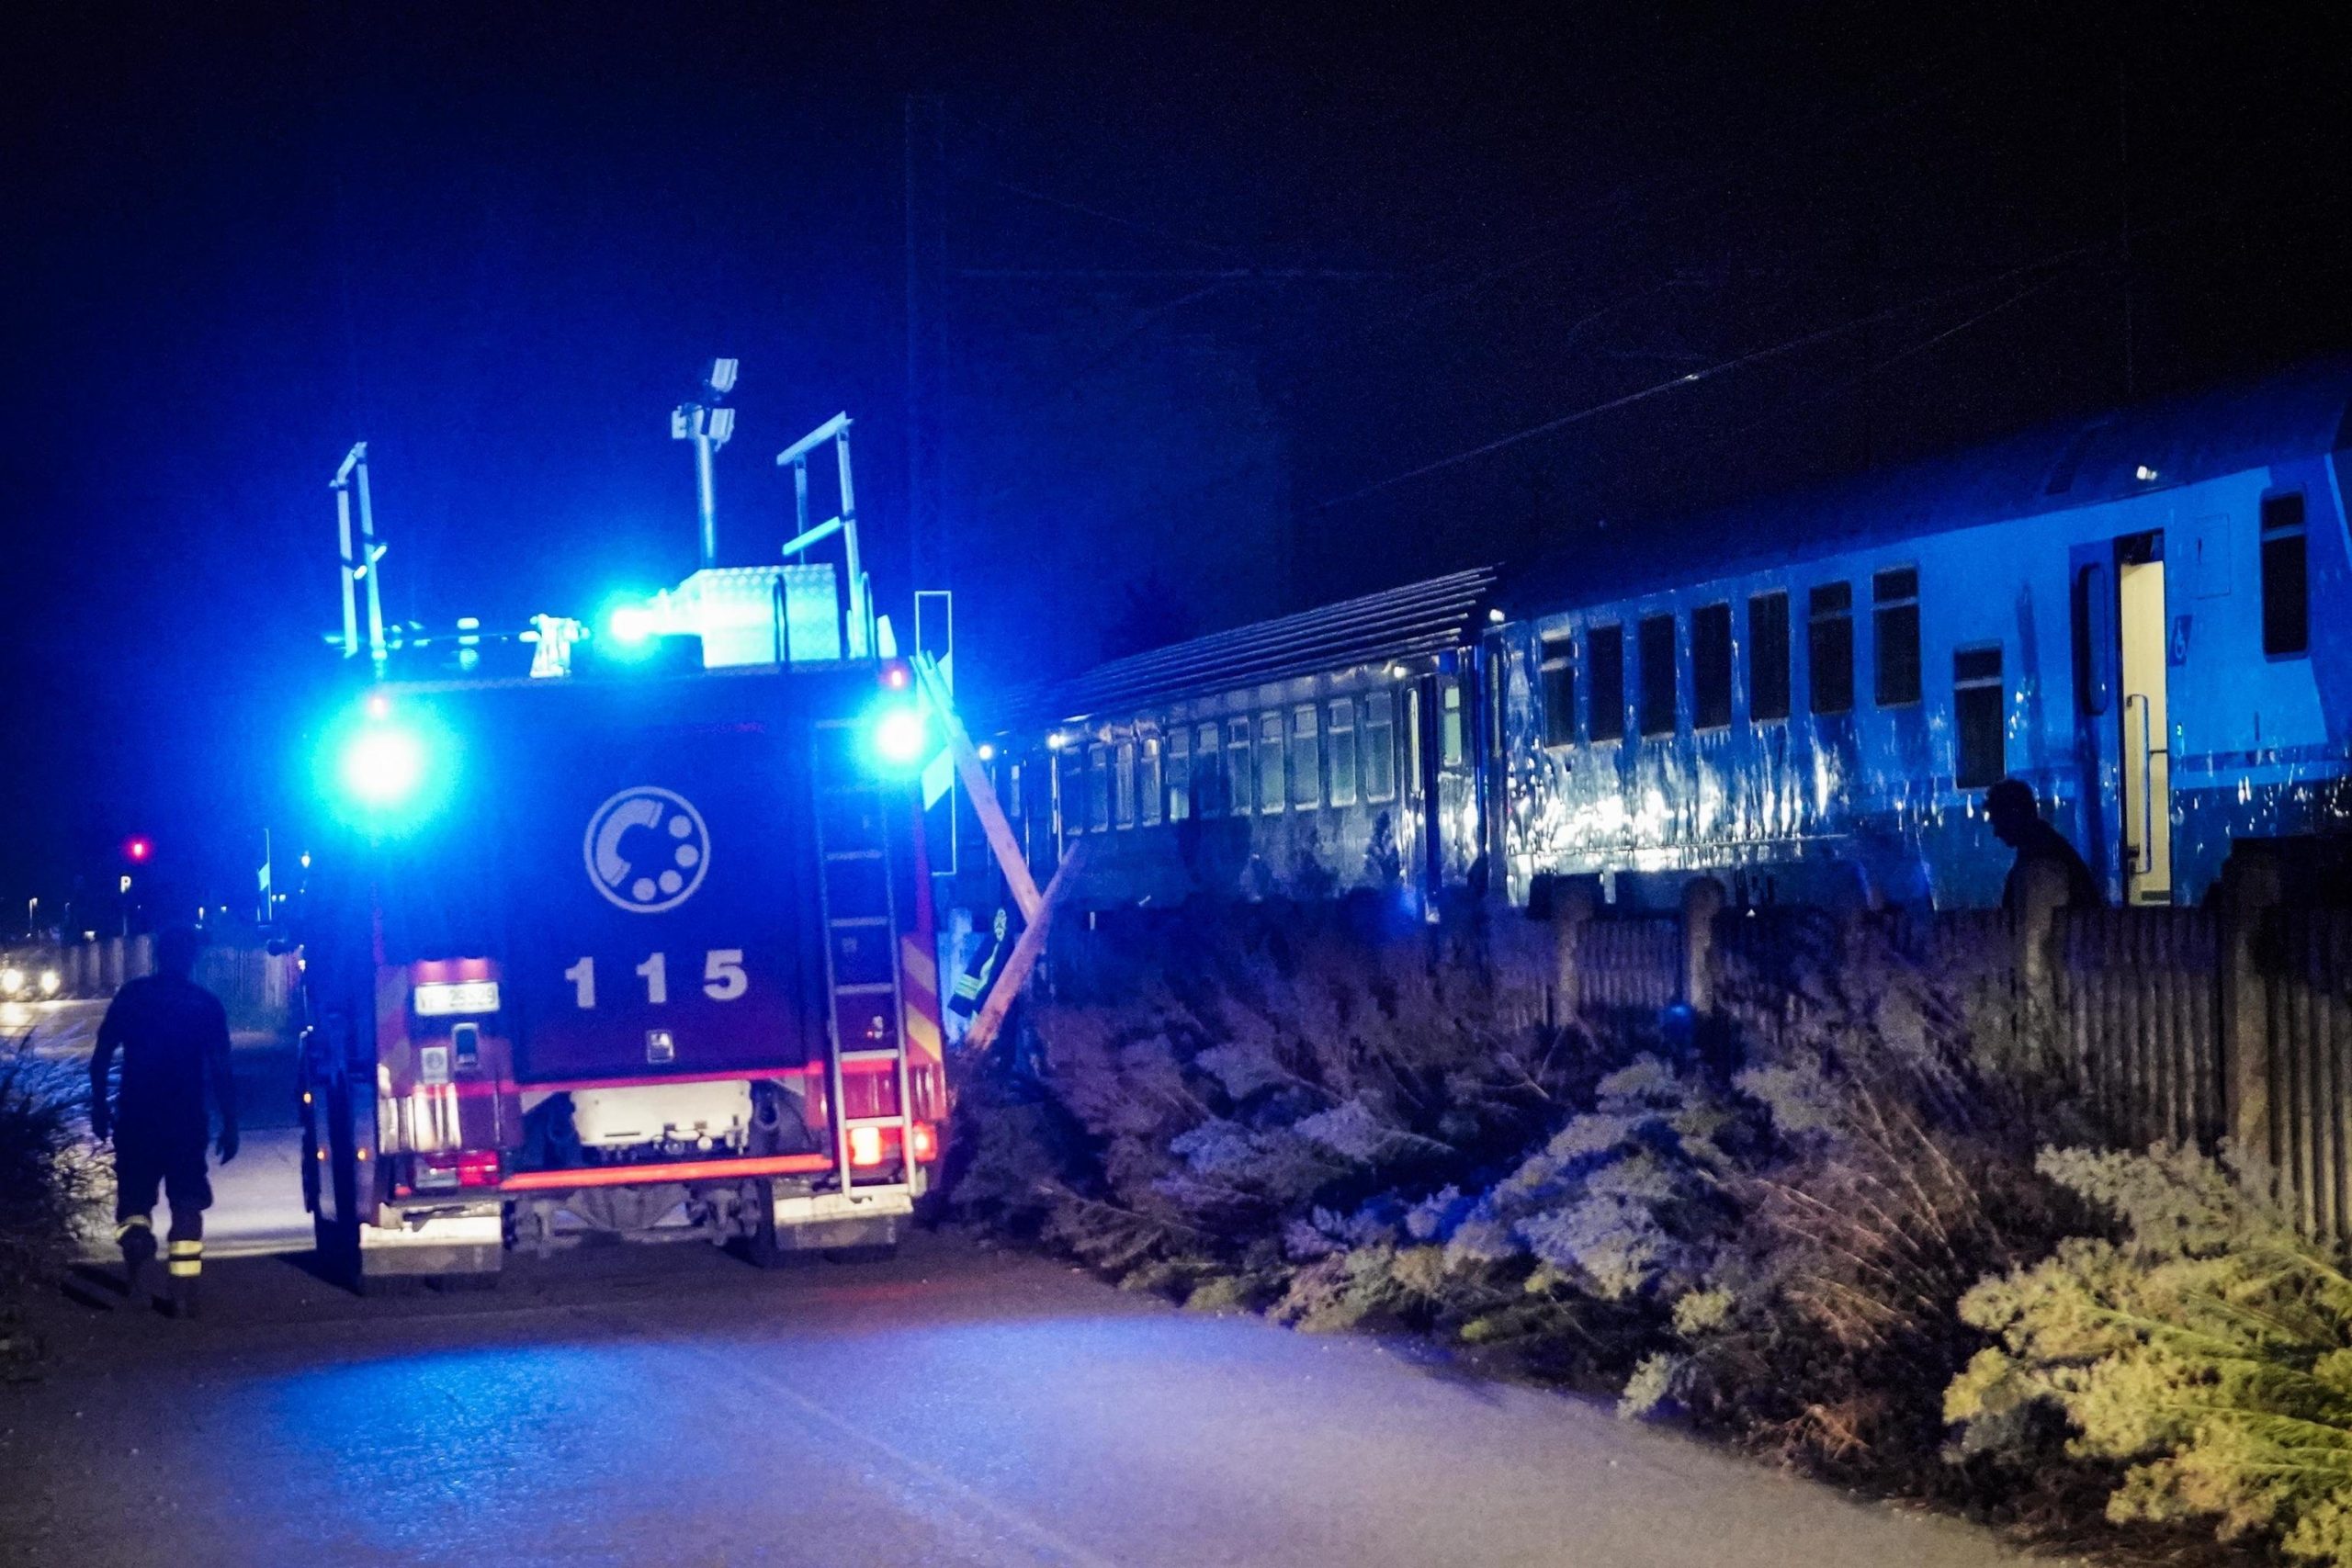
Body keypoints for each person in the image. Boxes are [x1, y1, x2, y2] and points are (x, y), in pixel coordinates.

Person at [88, 928, 238, 1318]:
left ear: (158, 954)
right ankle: (182, 1293)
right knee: (187, 1201)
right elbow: (221, 1069)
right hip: (185, 1120)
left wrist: (99, 1108)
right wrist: (231, 1122)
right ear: (190, 958)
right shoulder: (203, 1004)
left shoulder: (133, 996)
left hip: (137, 1118)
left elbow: (102, 1053)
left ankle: (137, 1282)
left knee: (135, 1204)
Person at [1985, 777, 2102, 914]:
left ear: (2014, 815)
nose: (1996, 832)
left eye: (1998, 821)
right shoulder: (2048, 848)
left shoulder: (2041, 859)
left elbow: (2036, 926)